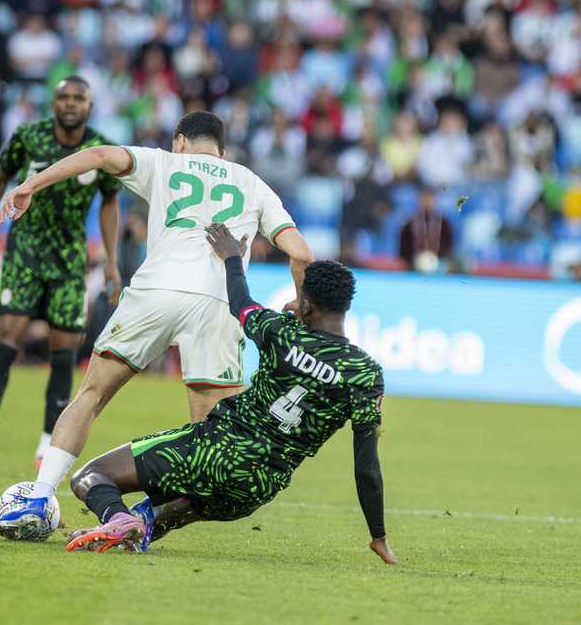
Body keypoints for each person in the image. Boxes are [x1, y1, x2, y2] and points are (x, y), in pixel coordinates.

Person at [0, 111, 313, 540]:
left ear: (180, 141)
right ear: (223, 148)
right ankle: (146, 518)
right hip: (219, 304)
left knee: (91, 394)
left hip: (155, 291)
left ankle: (39, 495)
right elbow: (302, 254)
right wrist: (299, 300)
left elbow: (100, 155)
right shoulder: (252, 182)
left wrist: (31, 183)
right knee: (211, 437)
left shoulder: (164, 162)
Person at [59, 223, 394, 562]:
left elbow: (241, 303)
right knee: (180, 505)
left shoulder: (280, 332)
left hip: (217, 450)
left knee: (90, 476)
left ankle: (117, 519)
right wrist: (378, 536)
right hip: (260, 486)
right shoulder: (365, 373)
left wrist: (232, 257)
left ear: (305, 303)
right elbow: (367, 466)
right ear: (345, 307)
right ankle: (136, 528)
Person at [0, 76, 123, 477]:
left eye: (78, 98)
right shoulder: (27, 138)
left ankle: (47, 444)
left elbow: (109, 203)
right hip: (24, 254)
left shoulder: (100, 149)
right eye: (63, 97)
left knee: (64, 353)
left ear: (90, 104)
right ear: (53, 103)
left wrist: (113, 263)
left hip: (69, 261)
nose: (69, 104)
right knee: (6, 340)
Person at [399, 189, 454, 272]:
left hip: (438, 264)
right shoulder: (410, 222)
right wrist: (413, 259)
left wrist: (437, 258)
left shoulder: (443, 223)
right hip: (415, 264)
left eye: (429, 199)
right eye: (424, 199)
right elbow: (403, 246)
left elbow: (448, 245)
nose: (427, 202)